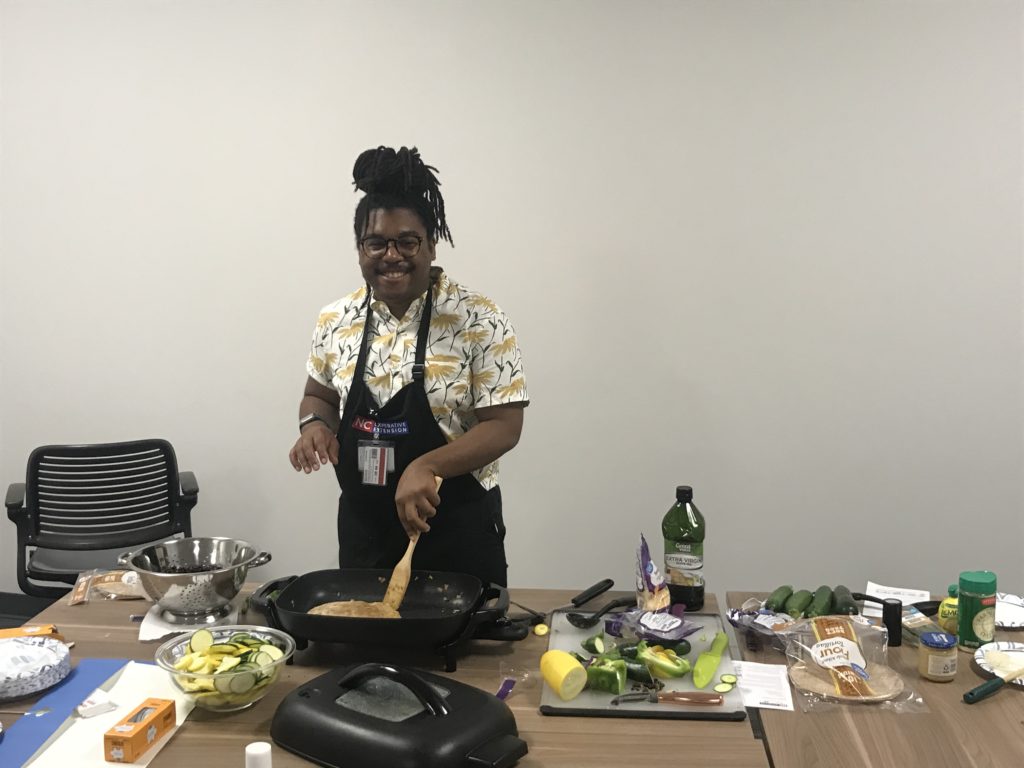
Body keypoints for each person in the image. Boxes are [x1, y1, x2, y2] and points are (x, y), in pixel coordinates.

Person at [288, 145, 528, 587]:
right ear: (360, 248)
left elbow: (504, 425)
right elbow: (318, 394)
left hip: (458, 533)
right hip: (365, 537)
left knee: (467, 653)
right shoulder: (335, 319)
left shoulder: (479, 318)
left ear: (431, 244)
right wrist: (313, 425)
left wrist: (428, 466)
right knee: (364, 646)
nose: (391, 255)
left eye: (407, 241)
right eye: (376, 242)